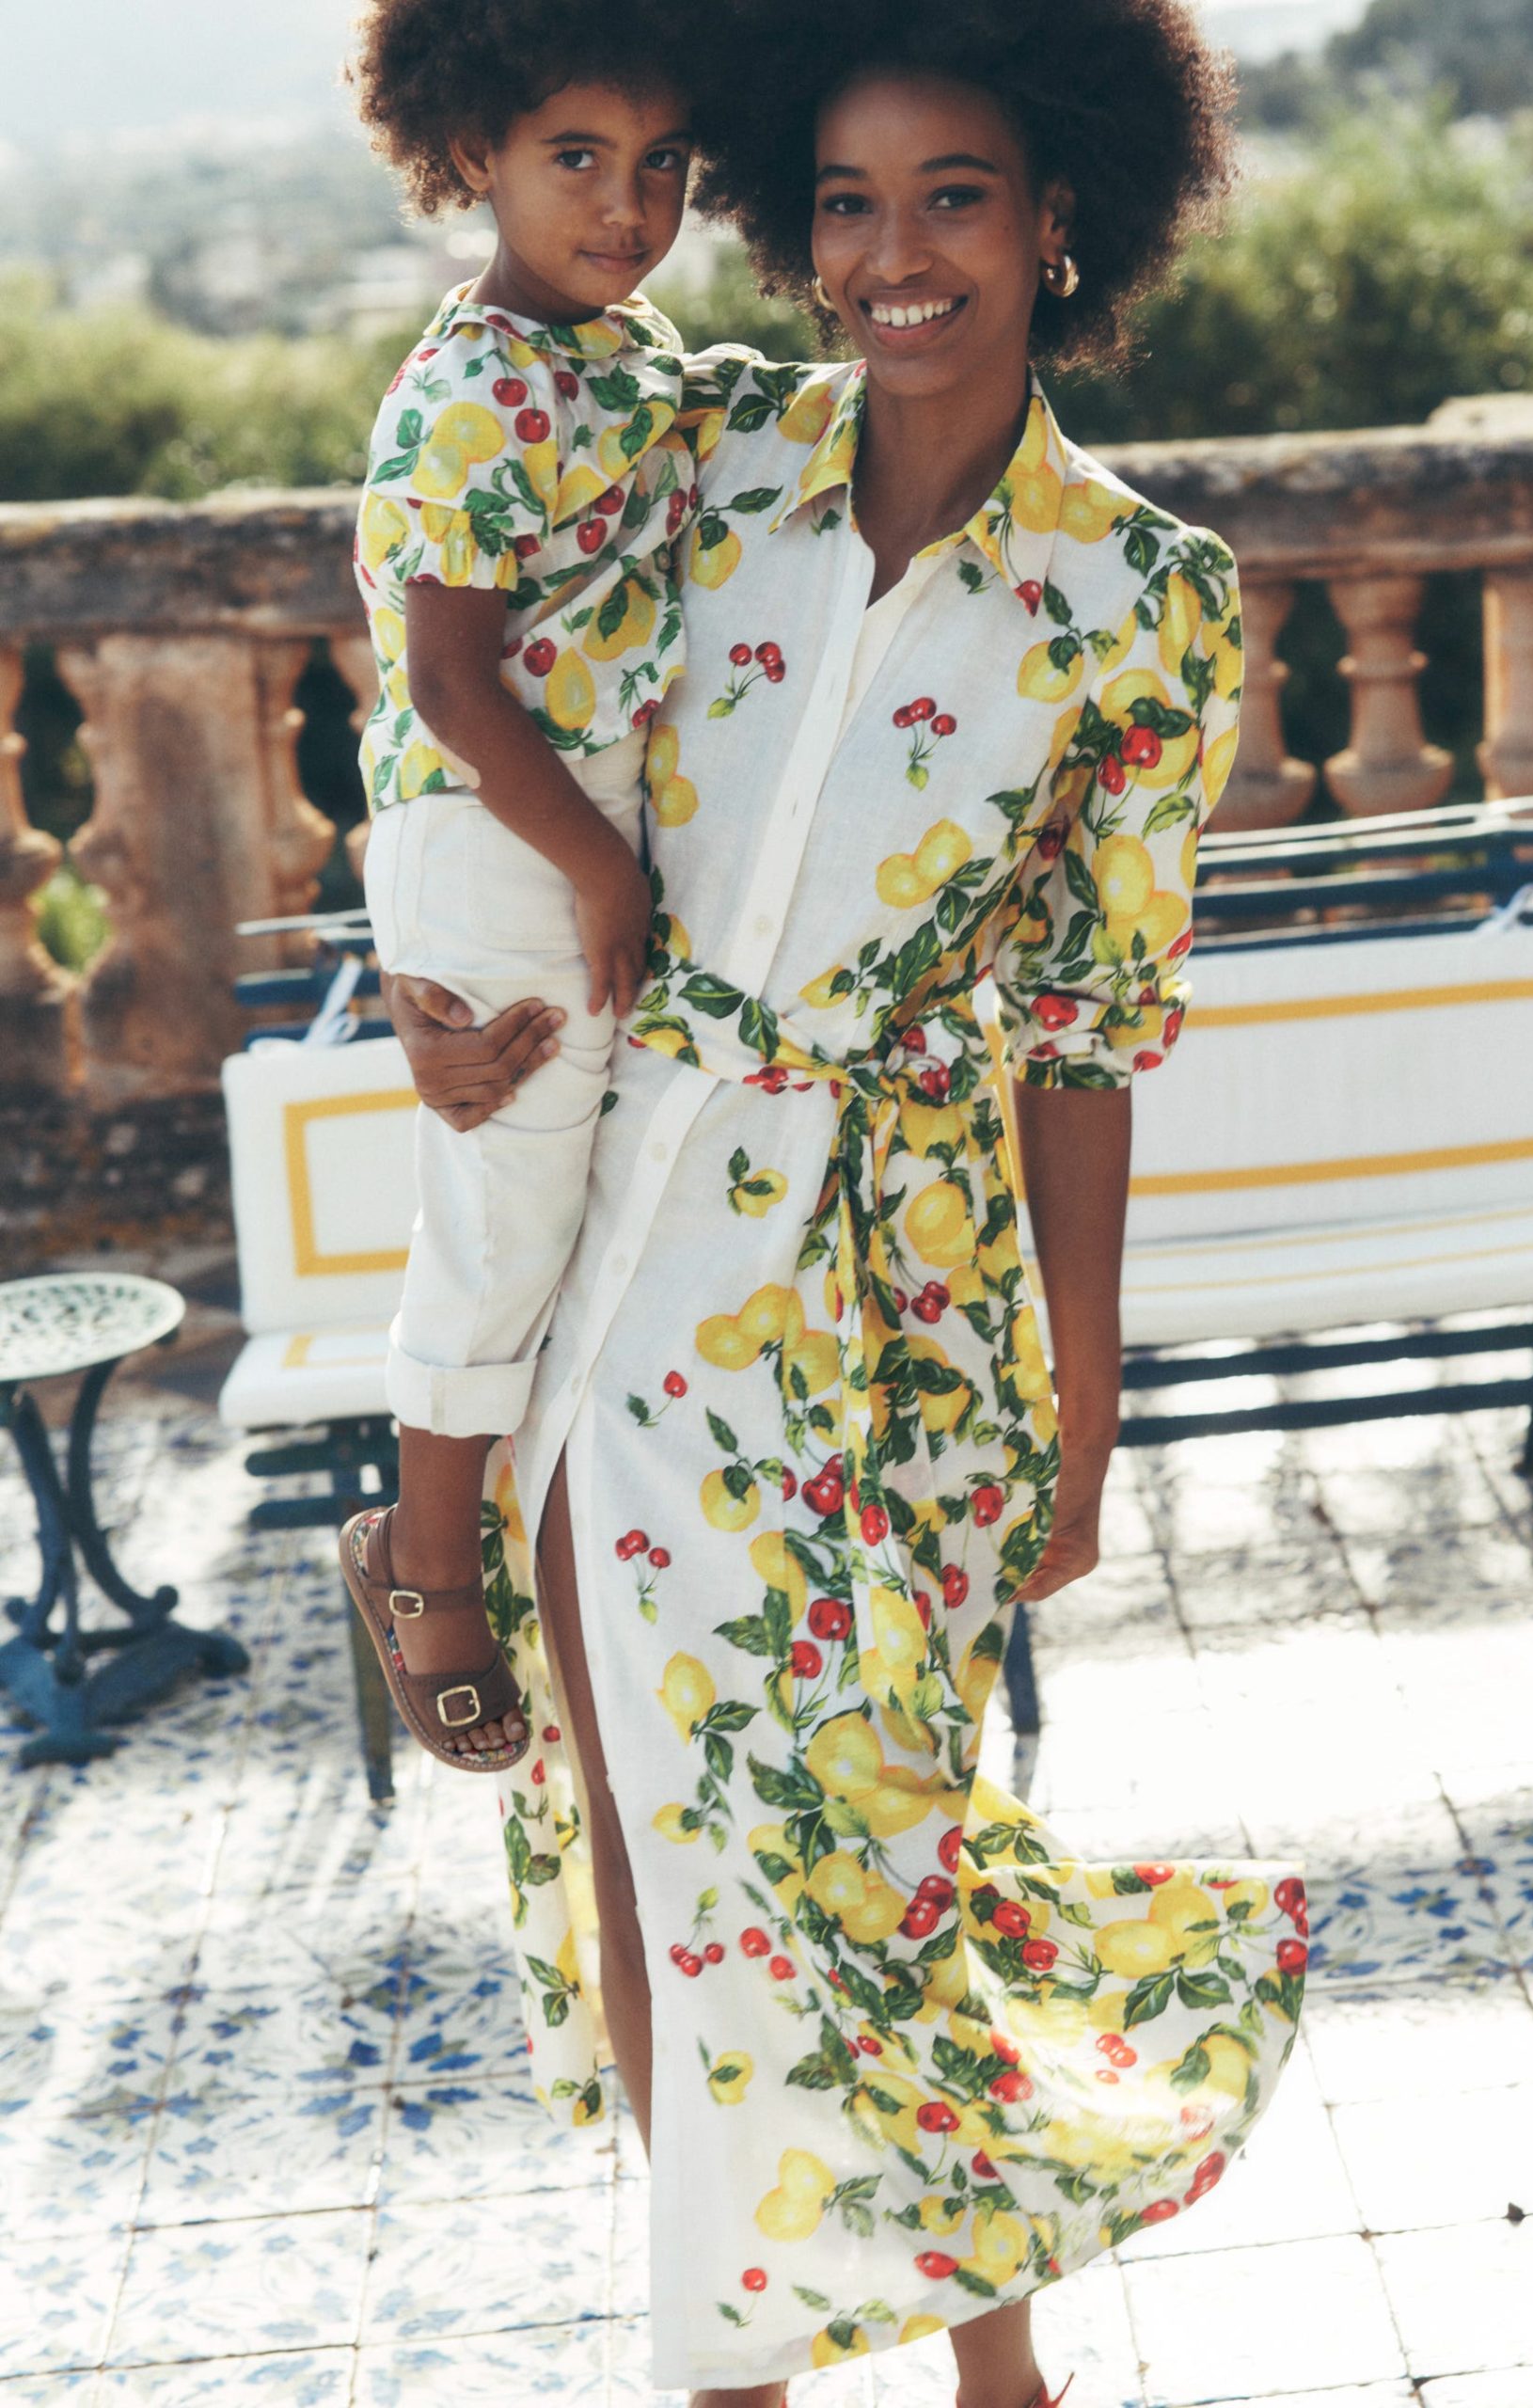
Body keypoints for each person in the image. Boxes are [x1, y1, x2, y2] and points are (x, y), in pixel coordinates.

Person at [386, 3, 1308, 2400]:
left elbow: (1089, 1033)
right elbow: (465, 671)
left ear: (1064, 215)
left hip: (907, 1292)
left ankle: (999, 2368)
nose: (897, 254)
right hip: (626, 1260)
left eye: (956, 196)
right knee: (652, 1846)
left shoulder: (1143, 597)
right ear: (797, 235)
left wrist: (1085, 1398)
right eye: (846, 202)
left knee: (889, 1837)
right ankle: (739, 2372)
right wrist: (430, 973)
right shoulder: (702, 458)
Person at [338, 0, 700, 1771]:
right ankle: (423, 1567)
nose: (626, 206)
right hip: (511, 828)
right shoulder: (472, 389)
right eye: (577, 158)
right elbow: (451, 690)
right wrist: (602, 873)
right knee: (505, 1210)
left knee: (571, 1208)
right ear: (472, 149)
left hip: (566, 820)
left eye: (663, 163)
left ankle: (535, 1529)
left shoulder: (636, 350)